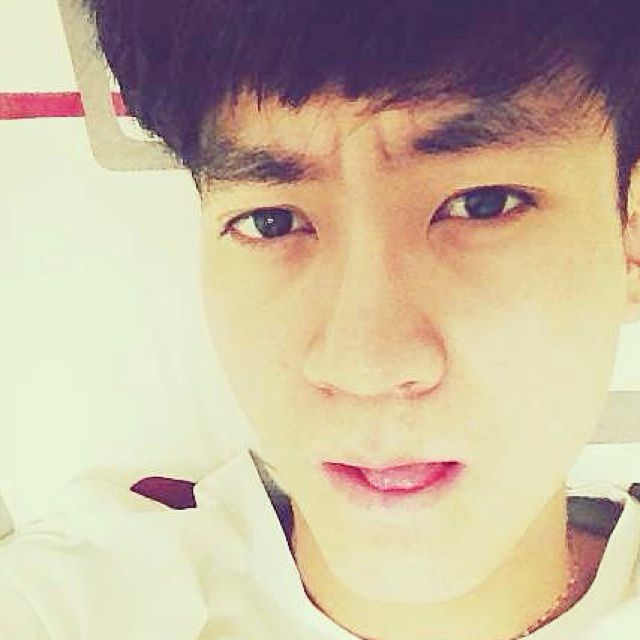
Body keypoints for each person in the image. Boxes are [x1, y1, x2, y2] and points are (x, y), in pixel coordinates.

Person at [2, 1, 640, 638]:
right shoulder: (81, 608)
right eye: (271, 221)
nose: (366, 367)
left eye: (482, 204)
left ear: (630, 239)